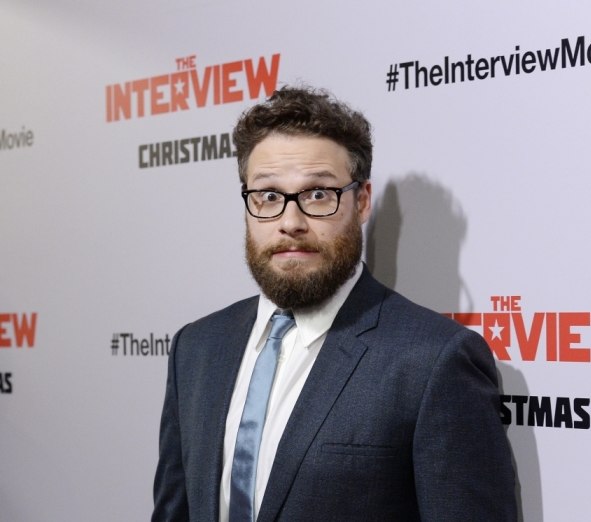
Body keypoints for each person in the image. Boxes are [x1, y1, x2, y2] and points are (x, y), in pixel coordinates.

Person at [152, 86, 517, 522]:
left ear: (361, 201)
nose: (290, 222)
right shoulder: (197, 347)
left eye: (318, 194)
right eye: (268, 196)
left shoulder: (433, 361)